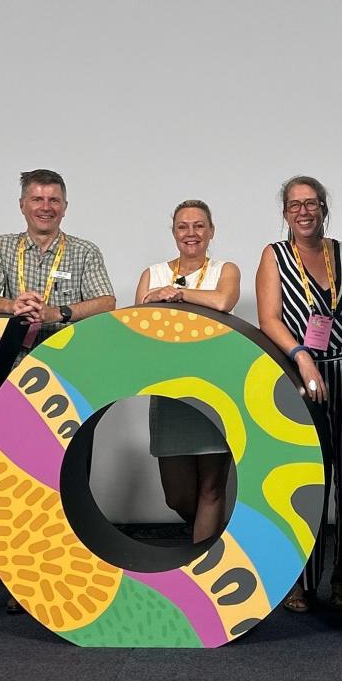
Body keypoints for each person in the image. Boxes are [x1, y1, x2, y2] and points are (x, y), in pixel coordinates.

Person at [254, 175, 342, 612]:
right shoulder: (274, 256)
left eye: (311, 203)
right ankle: (300, 577)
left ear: (323, 208)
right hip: (302, 377)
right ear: (284, 212)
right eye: (295, 204)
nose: (304, 211)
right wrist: (301, 356)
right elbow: (269, 319)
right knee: (310, 479)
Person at [134, 200, 241, 545]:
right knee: (177, 496)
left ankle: (202, 564)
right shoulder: (153, 274)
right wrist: (154, 297)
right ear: (174, 232)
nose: (191, 233)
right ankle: (216, 537)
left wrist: (175, 294)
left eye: (199, 226)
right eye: (183, 226)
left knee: (212, 486)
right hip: (170, 393)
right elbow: (136, 325)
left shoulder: (226, 270)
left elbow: (223, 302)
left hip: (216, 390)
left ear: (211, 231)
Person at [0, 169, 116, 348]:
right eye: (37, 199)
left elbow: (107, 303)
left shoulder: (85, 251)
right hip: (13, 356)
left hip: (66, 357)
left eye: (53, 200)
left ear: (64, 207)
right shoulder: (3, 246)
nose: (46, 207)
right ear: (22, 205)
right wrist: (13, 306)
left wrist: (57, 313)